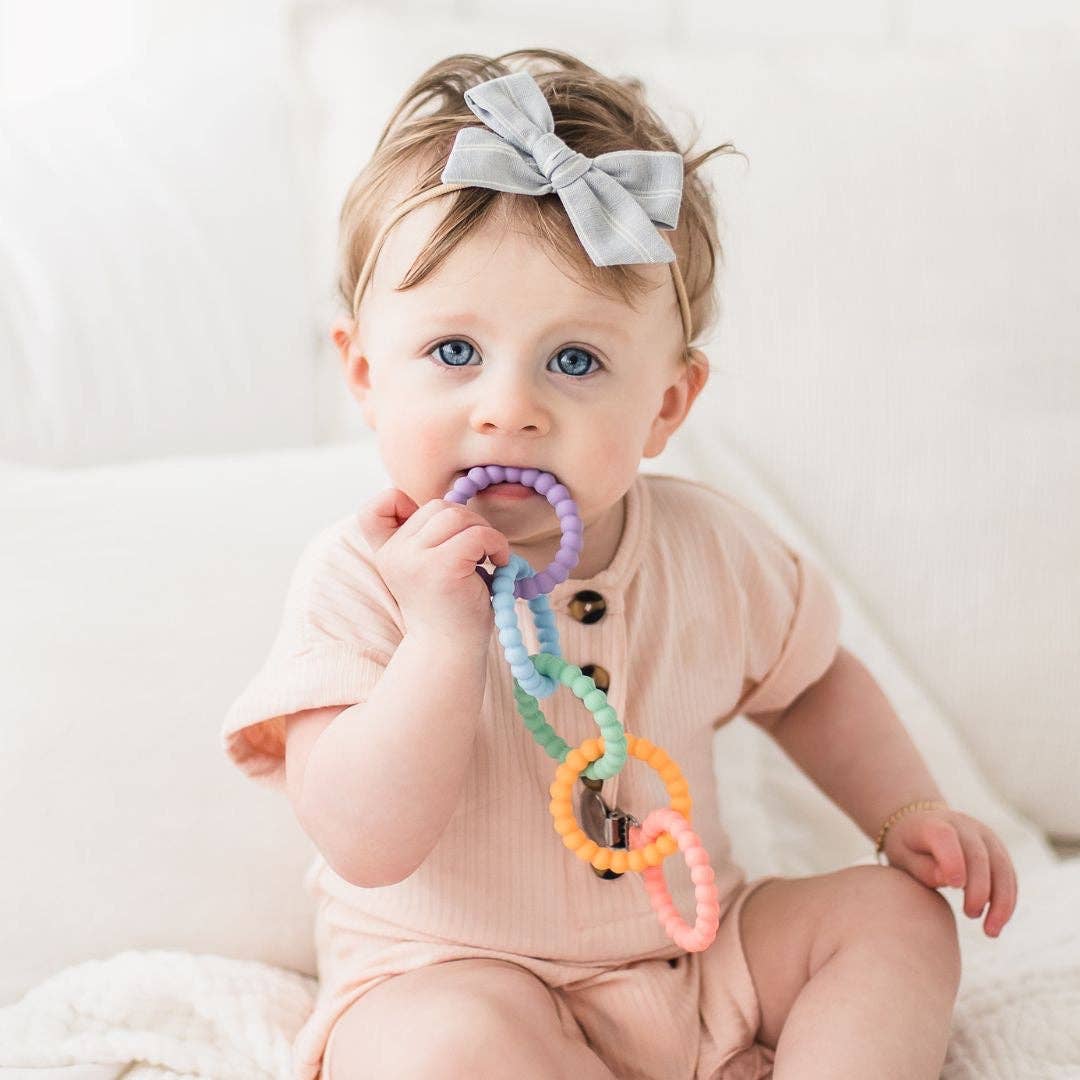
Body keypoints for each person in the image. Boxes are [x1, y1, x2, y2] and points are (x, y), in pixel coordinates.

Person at [221, 48, 1017, 1080]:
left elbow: (813, 683)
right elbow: (365, 842)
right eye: (456, 352)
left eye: (575, 361)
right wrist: (442, 638)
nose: (509, 408)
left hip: (696, 960)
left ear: (666, 406)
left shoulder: (708, 549)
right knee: (434, 1049)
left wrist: (906, 812)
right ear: (366, 374)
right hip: (453, 976)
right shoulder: (360, 578)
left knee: (895, 920)